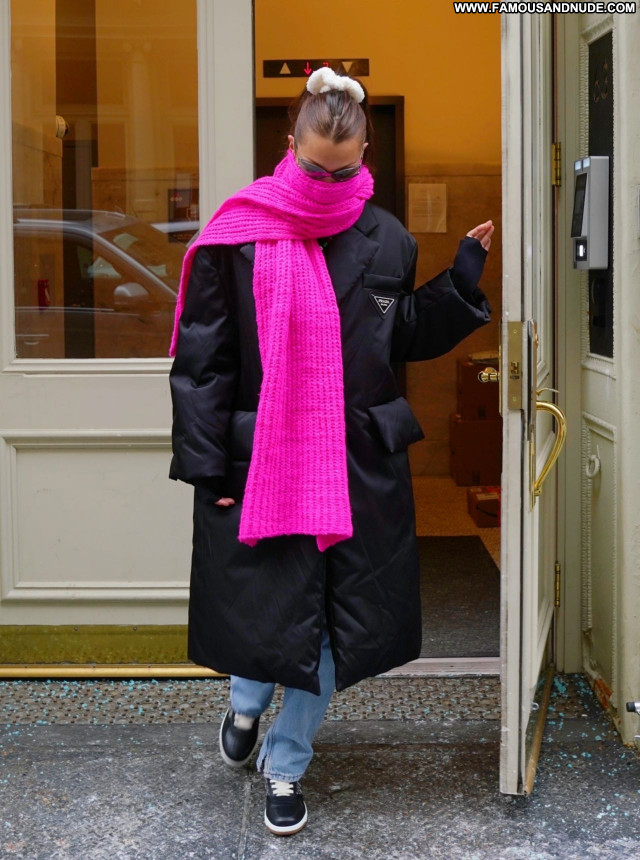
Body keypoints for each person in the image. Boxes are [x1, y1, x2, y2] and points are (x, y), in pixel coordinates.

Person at [168, 66, 494, 837]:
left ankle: (286, 763)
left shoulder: (388, 240)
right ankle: (245, 706)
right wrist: (209, 467)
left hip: (355, 468)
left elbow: (396, 334)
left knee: (326, 630)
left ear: (364, 155)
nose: (327, 183)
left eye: (342, 172)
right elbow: (204, 363)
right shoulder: (238, 237)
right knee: (269, 614)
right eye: (315, 167)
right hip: (263, 462)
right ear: (290, 145)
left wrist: (458, 284)